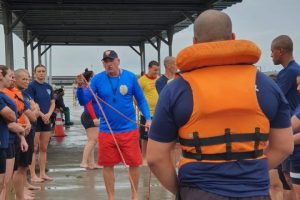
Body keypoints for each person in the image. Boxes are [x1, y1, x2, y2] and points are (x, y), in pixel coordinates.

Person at [147, 10, 294, 199]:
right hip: (253, 192)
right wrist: (251, 173)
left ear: (194, 42)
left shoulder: (176, 89)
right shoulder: (266, 85)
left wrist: (182, 191)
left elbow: (155, 158)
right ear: (233, 38)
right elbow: (284, 146)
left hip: (197, 191)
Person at [76, 50, 151, 200]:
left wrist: (148, 118)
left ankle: (134, 195)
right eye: (105, 61)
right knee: (107, 165)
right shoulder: (97, 79)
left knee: (134, 163)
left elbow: (141, 99)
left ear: (118, 61)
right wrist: (79, 87)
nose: (108, 64)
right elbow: (84, 101)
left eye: (111, 60)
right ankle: (111, 197)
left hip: (129, 129)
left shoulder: (130, 77)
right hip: (106, 130)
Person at [271, 35, 300, 199]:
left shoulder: (289, 73)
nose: (271, 55)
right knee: (287, 178)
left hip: (292, 131)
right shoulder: (294, 70)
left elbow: (273, 99)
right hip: (292, 129)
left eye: (272, 51)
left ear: (280, 51)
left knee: (290, 181)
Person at [26, 64, 55, 182]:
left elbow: (53, 102)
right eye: (39, 71)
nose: (41, 73)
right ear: (35, 73)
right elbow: (31, 102)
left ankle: (43, 173)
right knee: (34, 148)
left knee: (44, 147)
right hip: (36, 119)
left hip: (46, 120)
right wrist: (42, 115)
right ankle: (33, 175)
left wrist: (48, 114)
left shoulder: (48, 87)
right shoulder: (31, 86)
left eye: (43, 71)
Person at [138, 60, 159, 165]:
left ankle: (154, 156)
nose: (156, 72)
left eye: (157, 70)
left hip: (159, 112)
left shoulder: (159, 79)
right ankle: (144, 157)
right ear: (149, 68)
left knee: (157, 136)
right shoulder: (142, 80)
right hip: (147, 114)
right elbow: (136, 96)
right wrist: (139, 107)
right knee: (145, 137)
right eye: (155, 70)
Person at [0, 65, 17, 194]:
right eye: (9, 76)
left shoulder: (3, 95)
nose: (12, 79)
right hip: (2, 142)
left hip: (4, 141)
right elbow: (11, 115)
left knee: (3, 182)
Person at [78, 68, 100, 169]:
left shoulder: (90, 88)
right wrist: (95, 118)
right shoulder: (87, 88)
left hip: (90, 116)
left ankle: (91, 163)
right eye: (94, 76)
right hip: (90, 116)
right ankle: (84, 161)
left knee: (91, 140)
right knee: (93, 140)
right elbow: (88, 104)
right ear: (90, 78)